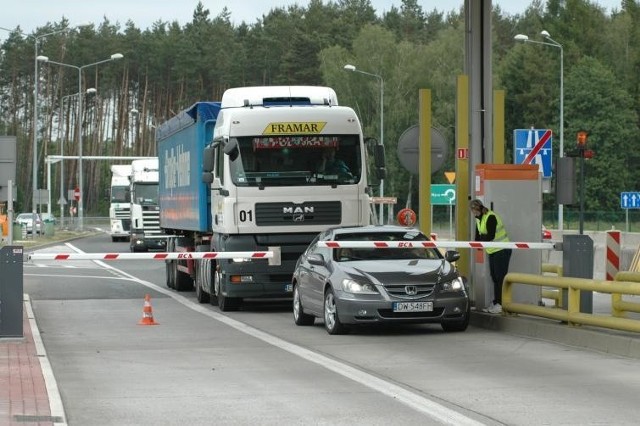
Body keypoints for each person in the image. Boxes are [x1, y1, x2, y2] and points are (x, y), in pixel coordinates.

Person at [470, 199, 512, 314]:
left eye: (473, 211)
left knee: (500, 278)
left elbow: (490, 236)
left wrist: (482, 238)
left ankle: (501, 304)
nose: (473, 213)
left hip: (502, 249)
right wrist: (480, 240)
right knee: (494, 277)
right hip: (493, 250)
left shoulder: (490, 217)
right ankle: (496, 302)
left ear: (476, 209)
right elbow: (478, 238)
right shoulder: (479, 219)